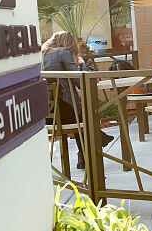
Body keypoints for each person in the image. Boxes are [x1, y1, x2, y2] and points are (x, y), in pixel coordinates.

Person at [42, 31, 115, 168]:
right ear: (69, 44)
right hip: (65, 112)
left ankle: (85, 156)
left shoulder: (43, 54)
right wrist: (82, 64)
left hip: (48, 114)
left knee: (80, 115)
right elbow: (81, 80)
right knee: (85, 117)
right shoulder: (63, 52)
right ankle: (92, 154)